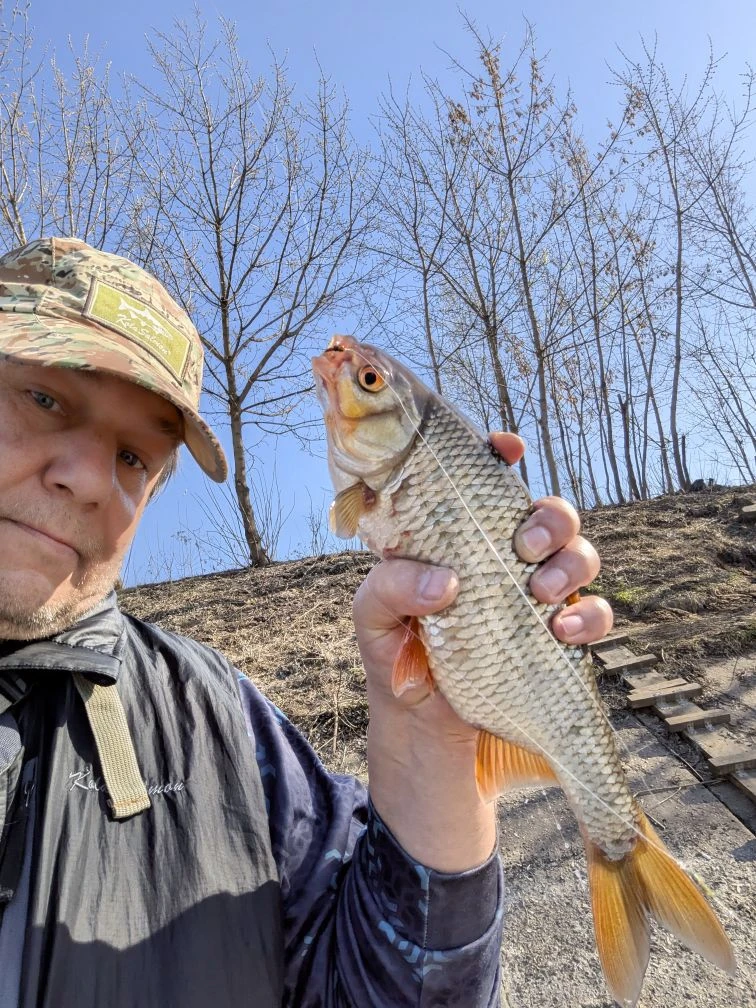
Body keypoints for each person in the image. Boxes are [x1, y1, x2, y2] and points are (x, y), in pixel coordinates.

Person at [0, 236, 612, 1007]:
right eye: (45, 399)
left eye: (133, 458)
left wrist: (434, 732)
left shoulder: (221, 728)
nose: (91, 478)